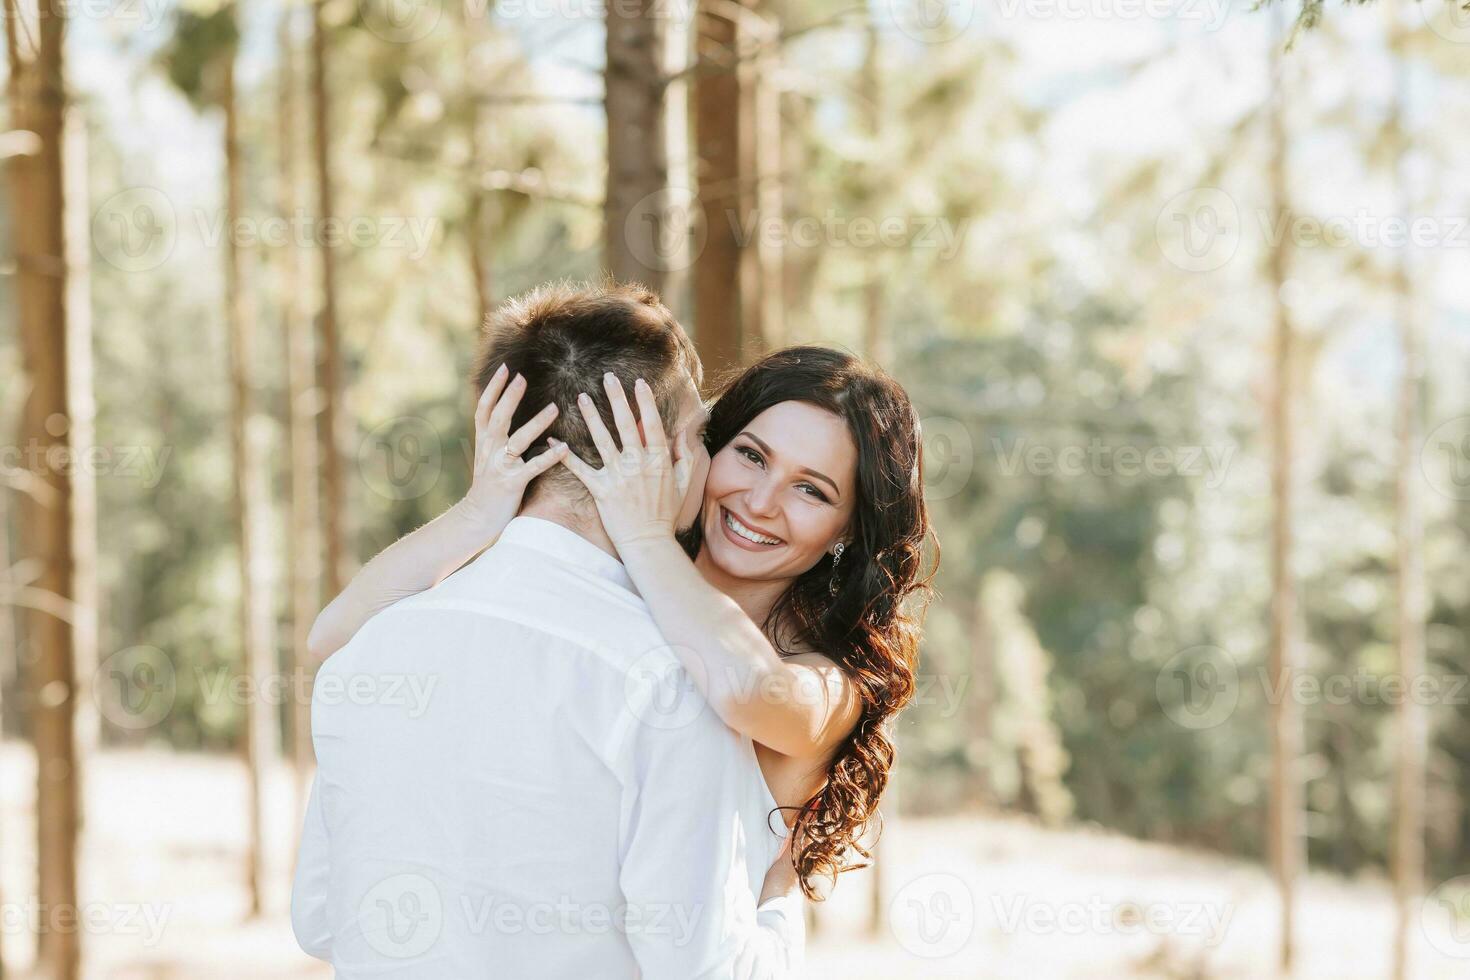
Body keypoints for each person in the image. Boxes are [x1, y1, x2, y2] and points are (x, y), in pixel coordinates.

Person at [310, 321, 937, 905]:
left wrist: (646, 541)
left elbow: (742, 688)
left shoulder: (827, 680)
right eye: (751, 455)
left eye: (811, 489)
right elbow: (340, 636)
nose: (761, 501)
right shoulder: (605, 596)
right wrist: (481, 509)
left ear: (847, 531)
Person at [290, 280, 804, 978]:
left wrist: (479, 509)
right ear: (667, 450)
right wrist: (780, 906)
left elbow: (320, 918)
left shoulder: (369, 652)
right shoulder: (669, 681)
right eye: (705, 436)